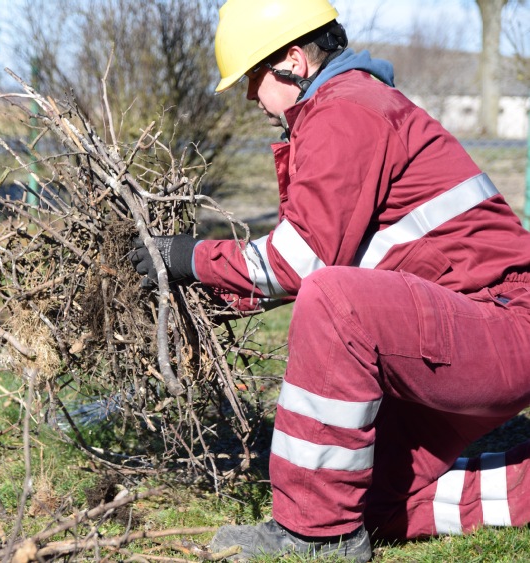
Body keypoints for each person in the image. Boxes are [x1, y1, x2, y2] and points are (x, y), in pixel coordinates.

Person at [129, 0, 530, 561]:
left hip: (502, 328)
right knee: (368, 499)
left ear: (292, 61)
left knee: (335, 299)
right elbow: (308, 258)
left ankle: (317, 536)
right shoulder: (347, 108)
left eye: (252, 78)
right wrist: (207, 294)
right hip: (466, 335)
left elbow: (301, 264)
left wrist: (192, 259)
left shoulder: (347, 111)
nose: (250, 96)